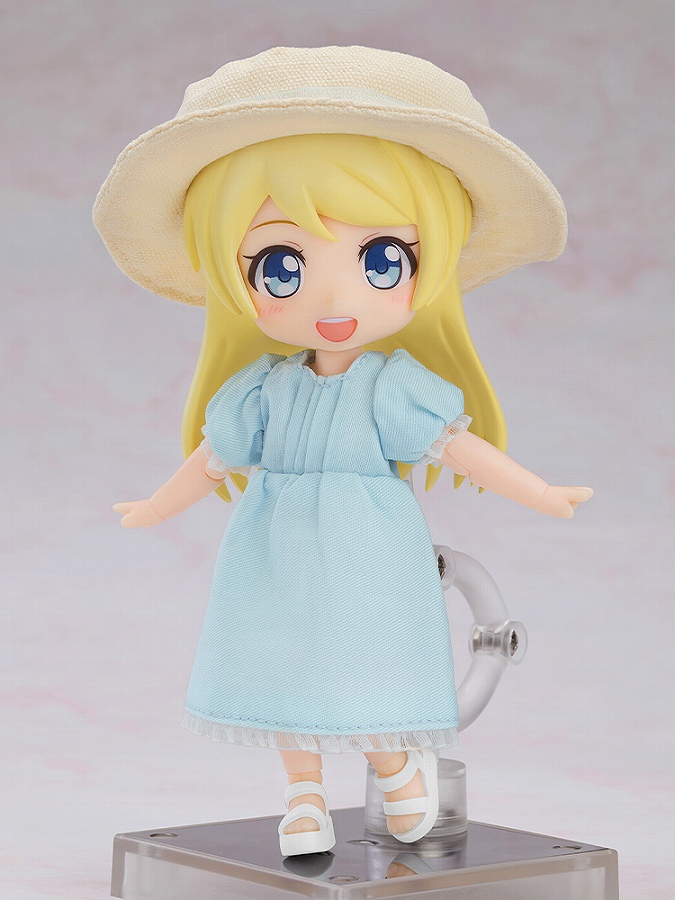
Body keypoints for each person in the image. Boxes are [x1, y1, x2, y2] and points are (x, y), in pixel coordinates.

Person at [94, 46, 592, 857]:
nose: (333, 297)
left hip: (367, 546)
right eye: (281, 266)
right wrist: (156, 505)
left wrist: (537, 491)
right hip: (274, 547)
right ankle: (302, 797)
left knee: (370, 652)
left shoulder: (392, 388)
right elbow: (214, 461)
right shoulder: (260, 391)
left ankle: (394, 766)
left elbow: (458, 449)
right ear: (234, 278)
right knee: (282, 658)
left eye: (381, 260)